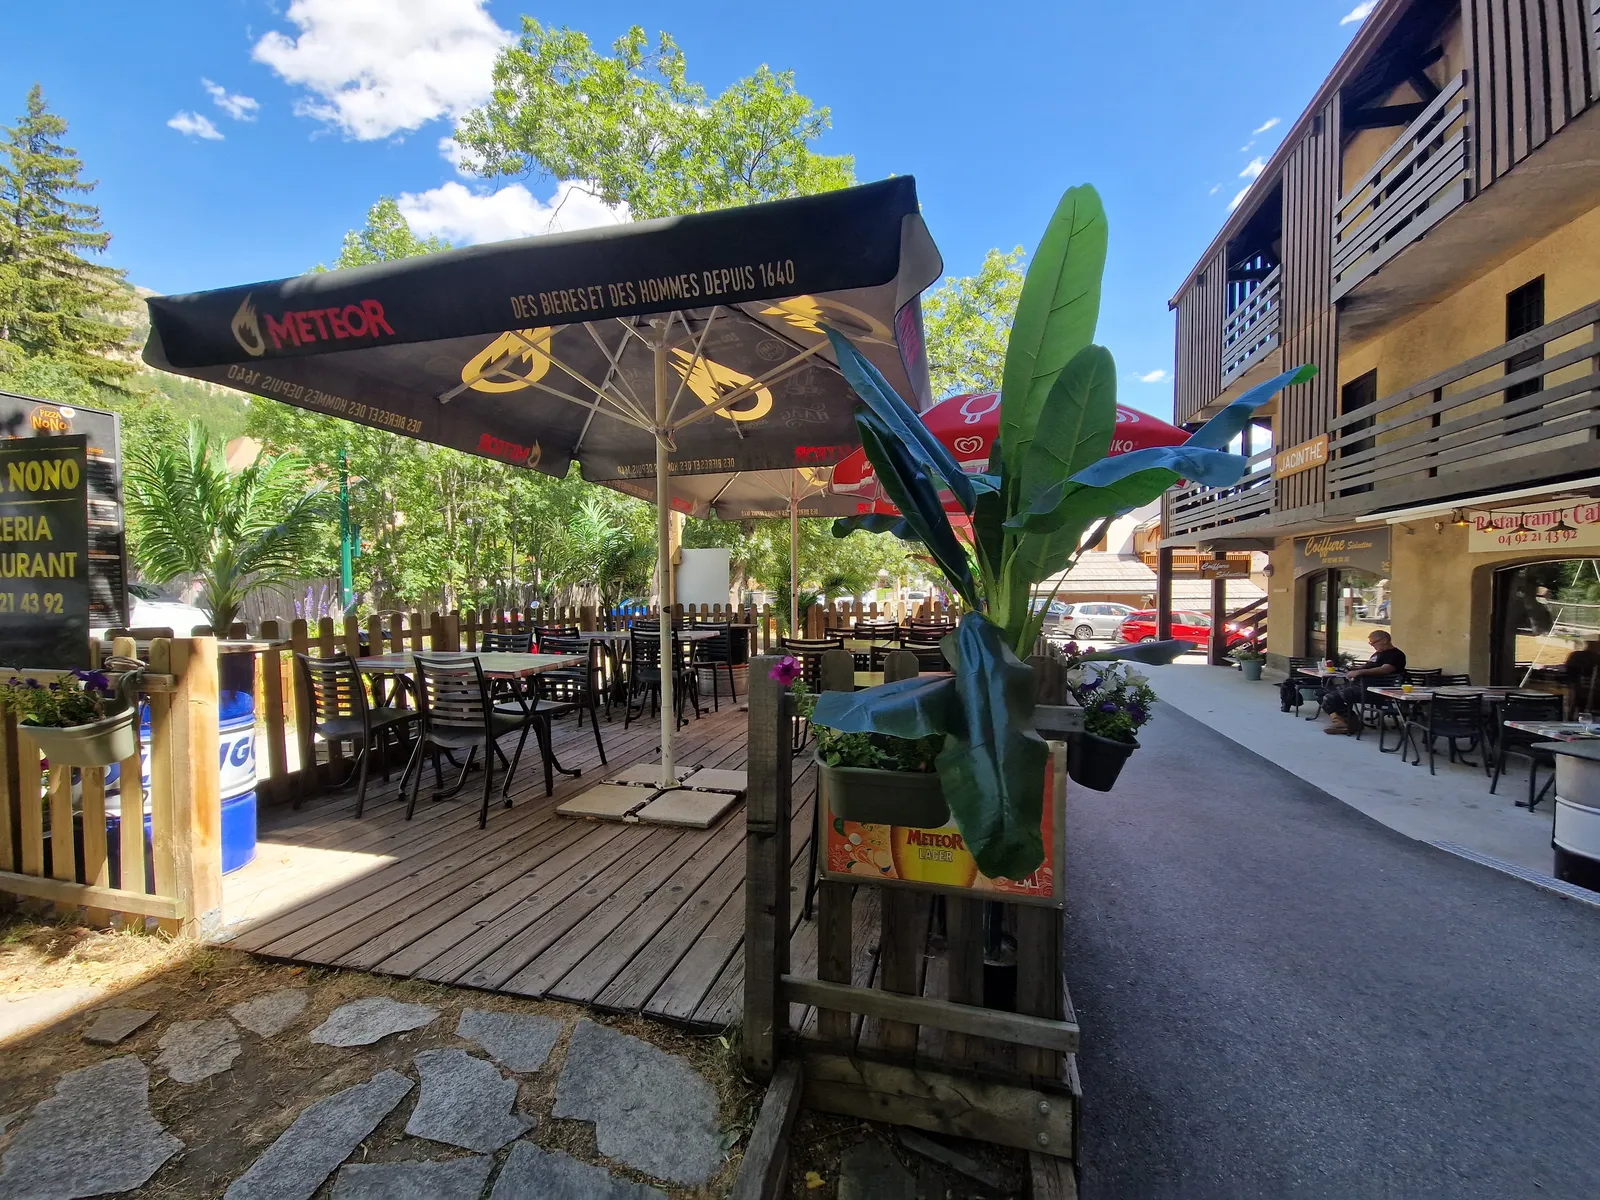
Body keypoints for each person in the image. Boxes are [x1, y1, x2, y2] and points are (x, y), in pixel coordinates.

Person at [1321, 630, 1407, 735]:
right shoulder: (1378, 653)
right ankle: (1344, 721)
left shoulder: (1396, 655)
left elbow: (1385, 669)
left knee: (1331, 697)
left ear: (1384, 640)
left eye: (1373, 642)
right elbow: (1368, 666)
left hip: (1374, 689)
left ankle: (1348, 723)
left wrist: (1360, 672)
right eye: (1370, 643)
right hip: (1359, 684)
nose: (1372, 645)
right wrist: (1352, 669)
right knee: (1321, 693)